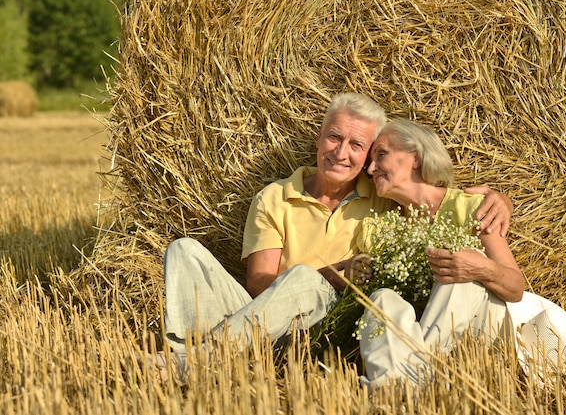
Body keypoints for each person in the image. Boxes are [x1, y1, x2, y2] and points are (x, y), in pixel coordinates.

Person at [162, 93, 513, 362]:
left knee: (304, 279)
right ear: (318, 139)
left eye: (359, 146)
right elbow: (257, 283)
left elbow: (431, 200)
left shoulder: (382, 201)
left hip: (323, 327)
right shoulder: (274, 197)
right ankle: (195, 353)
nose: (341, 153)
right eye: (334, 137)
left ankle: (196, 361)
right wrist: (326, 274)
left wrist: (501, 199)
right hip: (263, 316)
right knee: (184, 251)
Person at [357, 118, 566, 389]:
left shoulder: (472, 206)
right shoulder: (379, 229)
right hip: (425, 329)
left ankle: (409, 381)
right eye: (369, 164)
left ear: (416, 158)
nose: (372, 168)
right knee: (381, 300)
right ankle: (404, 390)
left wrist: (480, 268)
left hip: (484, 330)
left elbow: (515, 287)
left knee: (461, 275)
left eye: (381, 155)